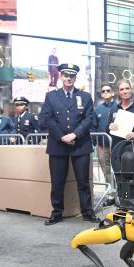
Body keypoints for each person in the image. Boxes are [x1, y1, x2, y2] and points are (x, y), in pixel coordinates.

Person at [39, 63, 98, 226]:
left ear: (75, 78)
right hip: (58, 145)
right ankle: (57, 212)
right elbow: (46, 118)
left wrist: (74, 134)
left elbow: (89, 118)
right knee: (57, 182)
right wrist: (62, 136)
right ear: (61, 76)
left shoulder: (85, 96)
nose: (69, 78)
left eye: (72, 76)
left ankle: (87, 212)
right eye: (66, 75)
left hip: (80, 144)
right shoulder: (51, 96)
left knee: (83, 182)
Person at [107, 79, 134, 147]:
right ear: (118, 92)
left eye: (127, 88)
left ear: (131, 90)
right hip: (117, 147)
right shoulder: (114, 109)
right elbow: (107, 129)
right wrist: (109, 127)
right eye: (121, 89)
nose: (125, 91)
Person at [94, 84, 118, 183]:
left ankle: (120, 190)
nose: (105, 93)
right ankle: (111, 192)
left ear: (112, 93)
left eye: (108, 90)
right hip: (102, 145)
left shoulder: (119, 107)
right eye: (103, 91)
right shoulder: (98, 109)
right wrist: (95, 142)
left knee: (118, 168)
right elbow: (94, 126)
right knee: (105, 169)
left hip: (117, 144)